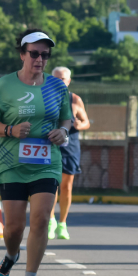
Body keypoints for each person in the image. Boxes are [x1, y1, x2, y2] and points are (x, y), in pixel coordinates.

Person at [0, 29, 72, 276]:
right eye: (34, 54)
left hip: (47, 162)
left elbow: (66, 118)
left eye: (45, 55)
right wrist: (10, 130)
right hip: (12, 163)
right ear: (22, 54)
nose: (39, 59)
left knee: (42, 218)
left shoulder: (57, 86)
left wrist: (64, 132)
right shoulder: (5, 85)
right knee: (13, 228)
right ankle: (11, 255)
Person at [48, 67, 90, 241]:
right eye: (57, 78)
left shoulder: (75, 99)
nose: (60, 81)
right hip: (49, 146)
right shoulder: (44, 97)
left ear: (69, 81)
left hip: (69, 146)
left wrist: (80, 124)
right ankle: (50, 221)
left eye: (63, 79)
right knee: (50, 185)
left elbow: (86, 121)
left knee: (66, 185)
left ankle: (62, 223)